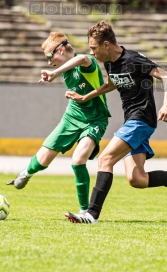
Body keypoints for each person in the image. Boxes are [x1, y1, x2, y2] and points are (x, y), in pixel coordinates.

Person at [49, 21, 167, 224]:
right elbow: (110, 84)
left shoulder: (134, 59)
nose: (92, 52)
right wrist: (86, 96)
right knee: (137, 179)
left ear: (106, 44)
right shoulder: (109, 62)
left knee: (105, 158)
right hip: (132, 120)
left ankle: (91, 214)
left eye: (93, 47)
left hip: (142, 118)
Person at [6, 32, 111, 215]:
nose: (49, 62)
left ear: (60, 49)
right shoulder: (65, 67)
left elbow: (83, 59)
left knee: (78, 160)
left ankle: (85, 211)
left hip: (95, 119)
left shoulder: (86, 62)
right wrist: (55, 71)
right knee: (43, 159)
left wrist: (55, 73)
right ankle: (25, 173)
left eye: (49, 57)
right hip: (72, 117)